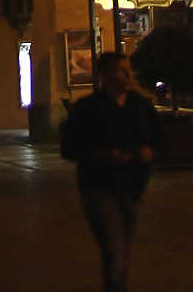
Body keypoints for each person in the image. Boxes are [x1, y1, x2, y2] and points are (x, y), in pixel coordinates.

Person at [60, 51, 156, 292]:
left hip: (133, 189)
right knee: (115, 255)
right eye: (121, 70)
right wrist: (100, 155)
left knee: (121, 254)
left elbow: (160, 142)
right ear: (105, 75)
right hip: (99, 189)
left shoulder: (140, 107)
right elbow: (69, 147)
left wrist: (149, 152)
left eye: (129, 70)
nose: (128, 75)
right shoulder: (88, 108)